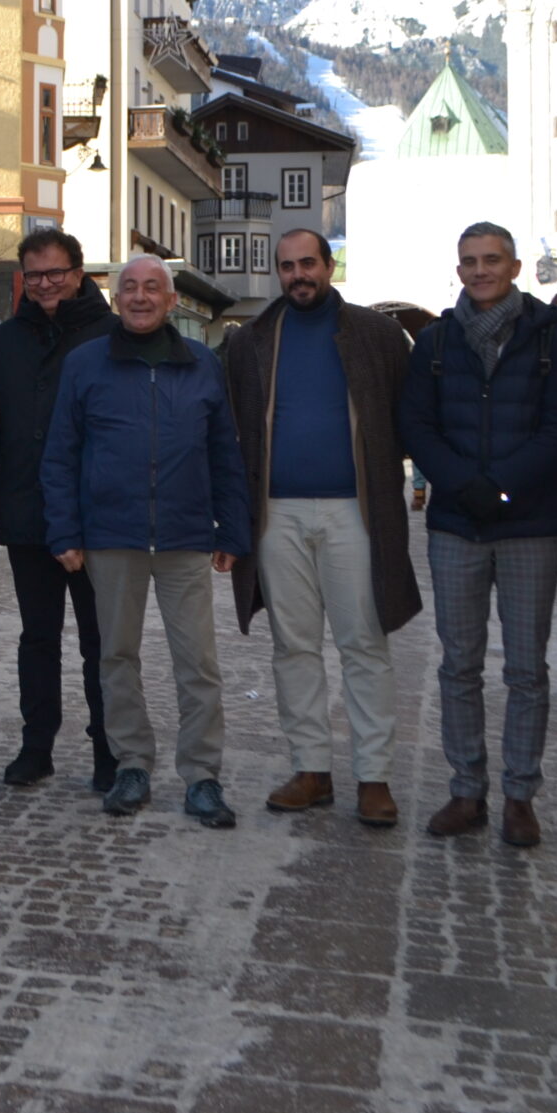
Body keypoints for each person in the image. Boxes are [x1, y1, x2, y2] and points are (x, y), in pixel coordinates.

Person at [42, 255, 251, 828]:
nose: (139, 297)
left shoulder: (202, 364)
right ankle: (132, 764)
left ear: (170, 299)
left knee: (198, 663)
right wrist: (63, 529)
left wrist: (231, 529)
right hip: (111, 537)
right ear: (115, 297)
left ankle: (203, 776)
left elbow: (225, 455)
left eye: (151, 288)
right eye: (129, 287)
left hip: (185, 537)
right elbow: (60, 455)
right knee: (116, 657)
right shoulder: (87, 364)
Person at [222, 229, 419, 830]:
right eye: (287, 266)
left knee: (364, 643)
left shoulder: (378, 336)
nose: (298, 274)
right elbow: (227, 430)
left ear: (329, 265)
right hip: (276, 513)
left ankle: (373, 776)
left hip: (354, 513)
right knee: (294, 647)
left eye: (308, 262)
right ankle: (311, 768)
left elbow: (409, 417)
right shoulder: (251, 340)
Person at [397, 223, 557, 849]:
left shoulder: (553, 335)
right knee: (459, 665)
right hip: (456, 524)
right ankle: (466, 789)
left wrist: (500, 486)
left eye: (492, 260)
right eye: (470, 262)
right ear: (458, 271)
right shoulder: (436, 342)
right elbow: (416, 424)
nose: (480, 271)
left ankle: (520, 796)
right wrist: (458, 483)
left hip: (530, 524)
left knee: (527, 669)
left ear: (514, 266)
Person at [0, 227, 120, 793]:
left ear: (79, 274)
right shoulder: (6, 340)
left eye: (55, 273)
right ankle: (37, 746)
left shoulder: (111, 335)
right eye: (34, 275)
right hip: (25, 512)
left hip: (96, 517)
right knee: (37, 637)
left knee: (100, 641)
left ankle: (109, 750)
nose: (44, 284)